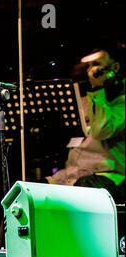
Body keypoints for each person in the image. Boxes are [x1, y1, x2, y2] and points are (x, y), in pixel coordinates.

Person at [46, 43, 125, 203]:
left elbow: (101, 130)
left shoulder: (121, 102)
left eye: (96, 64)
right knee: (22, 194)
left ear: (114, 67)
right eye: (88, 66)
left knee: (84, 191)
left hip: (107, 176)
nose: (90, 71)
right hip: (71, 176)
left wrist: (99, 88)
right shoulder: (84, 100)